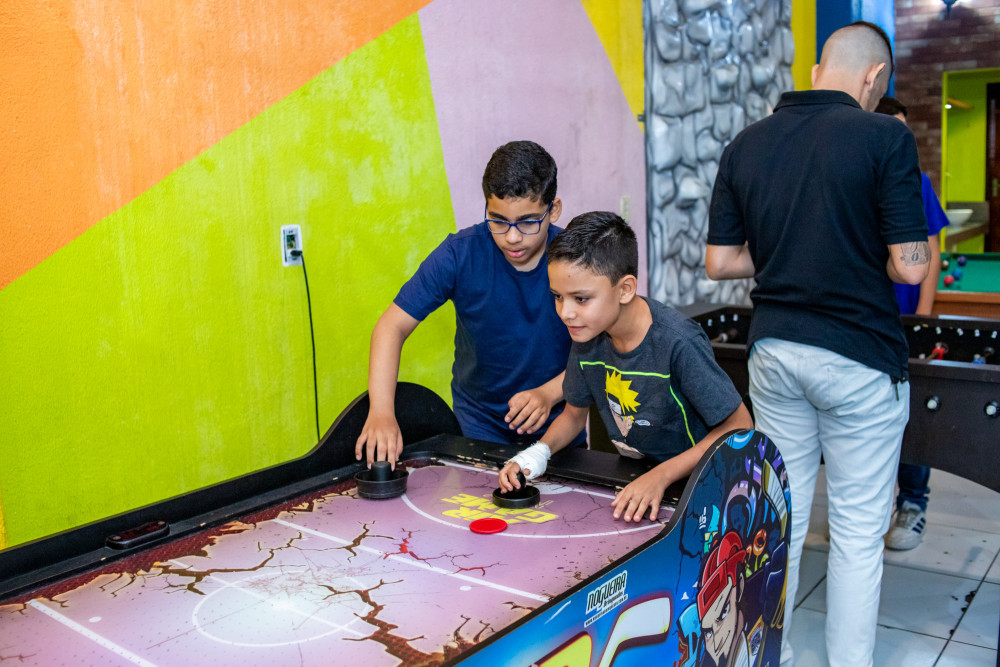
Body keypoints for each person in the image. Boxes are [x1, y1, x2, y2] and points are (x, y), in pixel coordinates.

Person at [704, 22, 930, 667]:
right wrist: (849, 251)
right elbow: (910, 266)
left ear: (816, 70)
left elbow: (720, 262)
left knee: (783, 519)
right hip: (859, 358)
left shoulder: (746, 143)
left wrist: (793, 250)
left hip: (775, 354)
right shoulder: (885, 135)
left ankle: (768, 656)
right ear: (875, 77)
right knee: (857, 532)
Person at [498, 211, 753, 523]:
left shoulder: (678, 342)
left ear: (625, 289)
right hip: (639, 480)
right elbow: (574, 416)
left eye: (581, 298)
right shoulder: (586, 333)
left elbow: (739, 426)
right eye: (558, 297)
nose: (566, 312)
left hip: (702, 487)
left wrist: (660, 476)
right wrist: (536, 454)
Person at [356, 140, 584, 467]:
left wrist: (550, 393)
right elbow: (392, 326)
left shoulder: (576, 260)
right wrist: (381, 412)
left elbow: (600, 352)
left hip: (560, 426)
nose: (512, 237)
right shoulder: (458, 254)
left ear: (554, 209)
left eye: (528, 222)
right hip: (478, 425)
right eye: (498, 220)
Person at [875, 95, 950, 551]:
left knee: (914, 415)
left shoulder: (916, 181)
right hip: (866, 319)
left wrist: (922, 315)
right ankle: (874, 507)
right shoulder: (855, 175)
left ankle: (913, 502)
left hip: (906, 317)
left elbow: (931, 251)